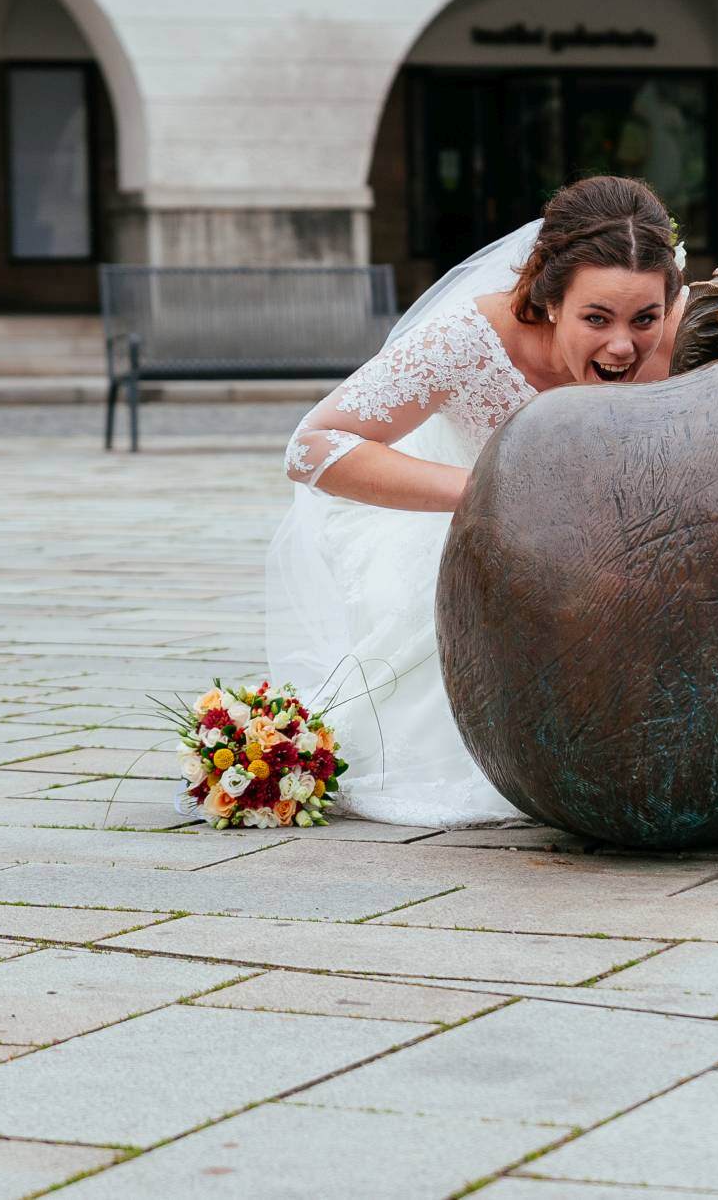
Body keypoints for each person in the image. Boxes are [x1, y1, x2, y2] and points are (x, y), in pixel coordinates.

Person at [266, 176, 684, 826]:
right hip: (482, 533)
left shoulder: (686, 338)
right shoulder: (467, 341)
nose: (623, 346)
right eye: (596, 318)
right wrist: (486, 489)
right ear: (550, 302)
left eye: (645, 319)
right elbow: (310, 446)